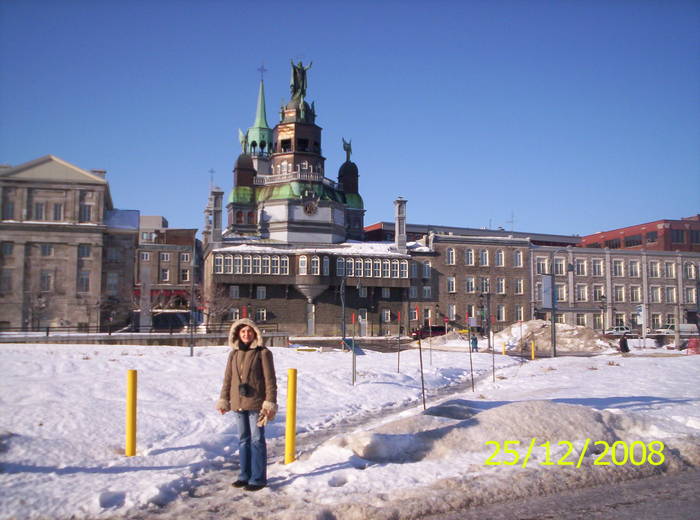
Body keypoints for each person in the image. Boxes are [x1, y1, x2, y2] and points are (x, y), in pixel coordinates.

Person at [216, 318, 277, 491]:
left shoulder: (263, 353)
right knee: (243, 440)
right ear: (237, 334)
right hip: (237, 403)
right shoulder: (233, 354)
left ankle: (258, 478)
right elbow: (228, 379)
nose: (246, 334)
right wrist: (224, 400)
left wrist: (269, 402)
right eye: (243, 332)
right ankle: (244, 475)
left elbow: (270, 380)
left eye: (249, 331)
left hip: (256, 403)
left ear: (255, 333)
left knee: (257, 440)